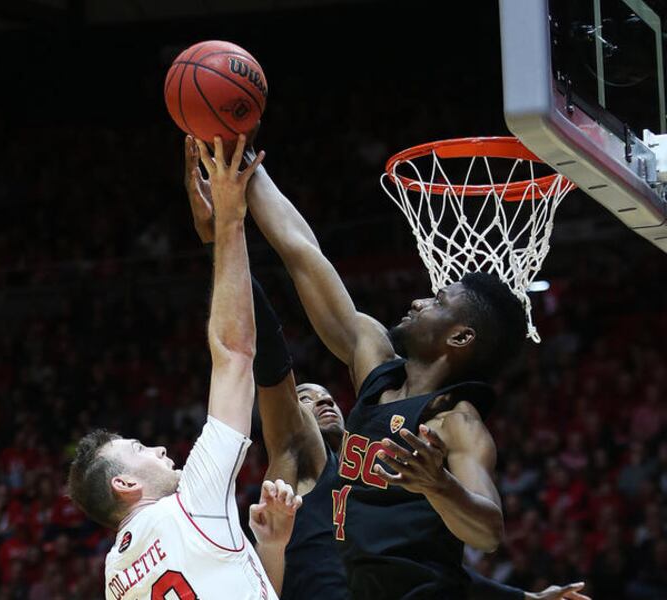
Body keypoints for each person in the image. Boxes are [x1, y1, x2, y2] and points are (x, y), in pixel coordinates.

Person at [183, 135, 589, 600]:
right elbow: (303, 254)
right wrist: (243, 154)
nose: (418, 301)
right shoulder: (375, 365)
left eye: (438, 302)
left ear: (460, 337)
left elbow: (488, 532)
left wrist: (440, 485)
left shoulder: (455, 422)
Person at [66, 136, 300, 600]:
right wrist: (228, 221)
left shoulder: (115, 578)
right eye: (139, 448)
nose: (157, 448)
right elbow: (234, 353)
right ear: (125, 483)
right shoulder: (192, 503)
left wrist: (271, 549)